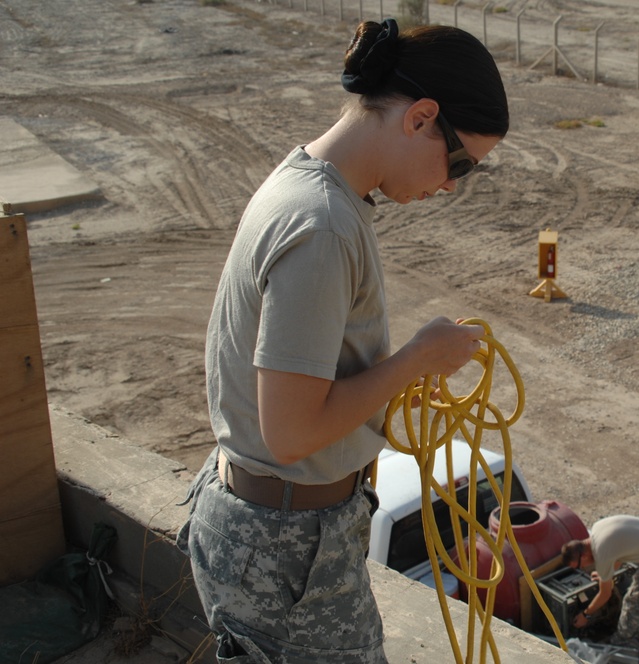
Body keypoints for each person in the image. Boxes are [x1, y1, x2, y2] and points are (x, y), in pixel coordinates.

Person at [176, 18, 509, 664]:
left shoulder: (315, 188)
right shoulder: (323, 225)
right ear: (420, 118)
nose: (449, 186)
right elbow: (292, 432)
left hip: (278, 531)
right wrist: (417, 359)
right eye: (460, 163)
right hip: (285, 550)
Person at [561, 515, 639, 657]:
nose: (582, 568)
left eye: (580, 566)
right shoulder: (597, 529)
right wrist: (604, 575)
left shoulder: (601, 553)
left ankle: (620, 642)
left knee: (635, 601)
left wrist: (585, 615)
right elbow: (617, 555)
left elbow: (605, 594)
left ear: (583, 556)